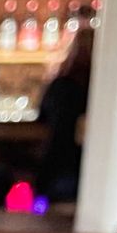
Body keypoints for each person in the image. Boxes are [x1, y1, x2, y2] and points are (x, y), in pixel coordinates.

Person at [35, 27, 94, 201]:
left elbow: (42, 118)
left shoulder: (61, 84)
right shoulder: (103, 88)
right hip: (88, 166)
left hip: (56, 162)